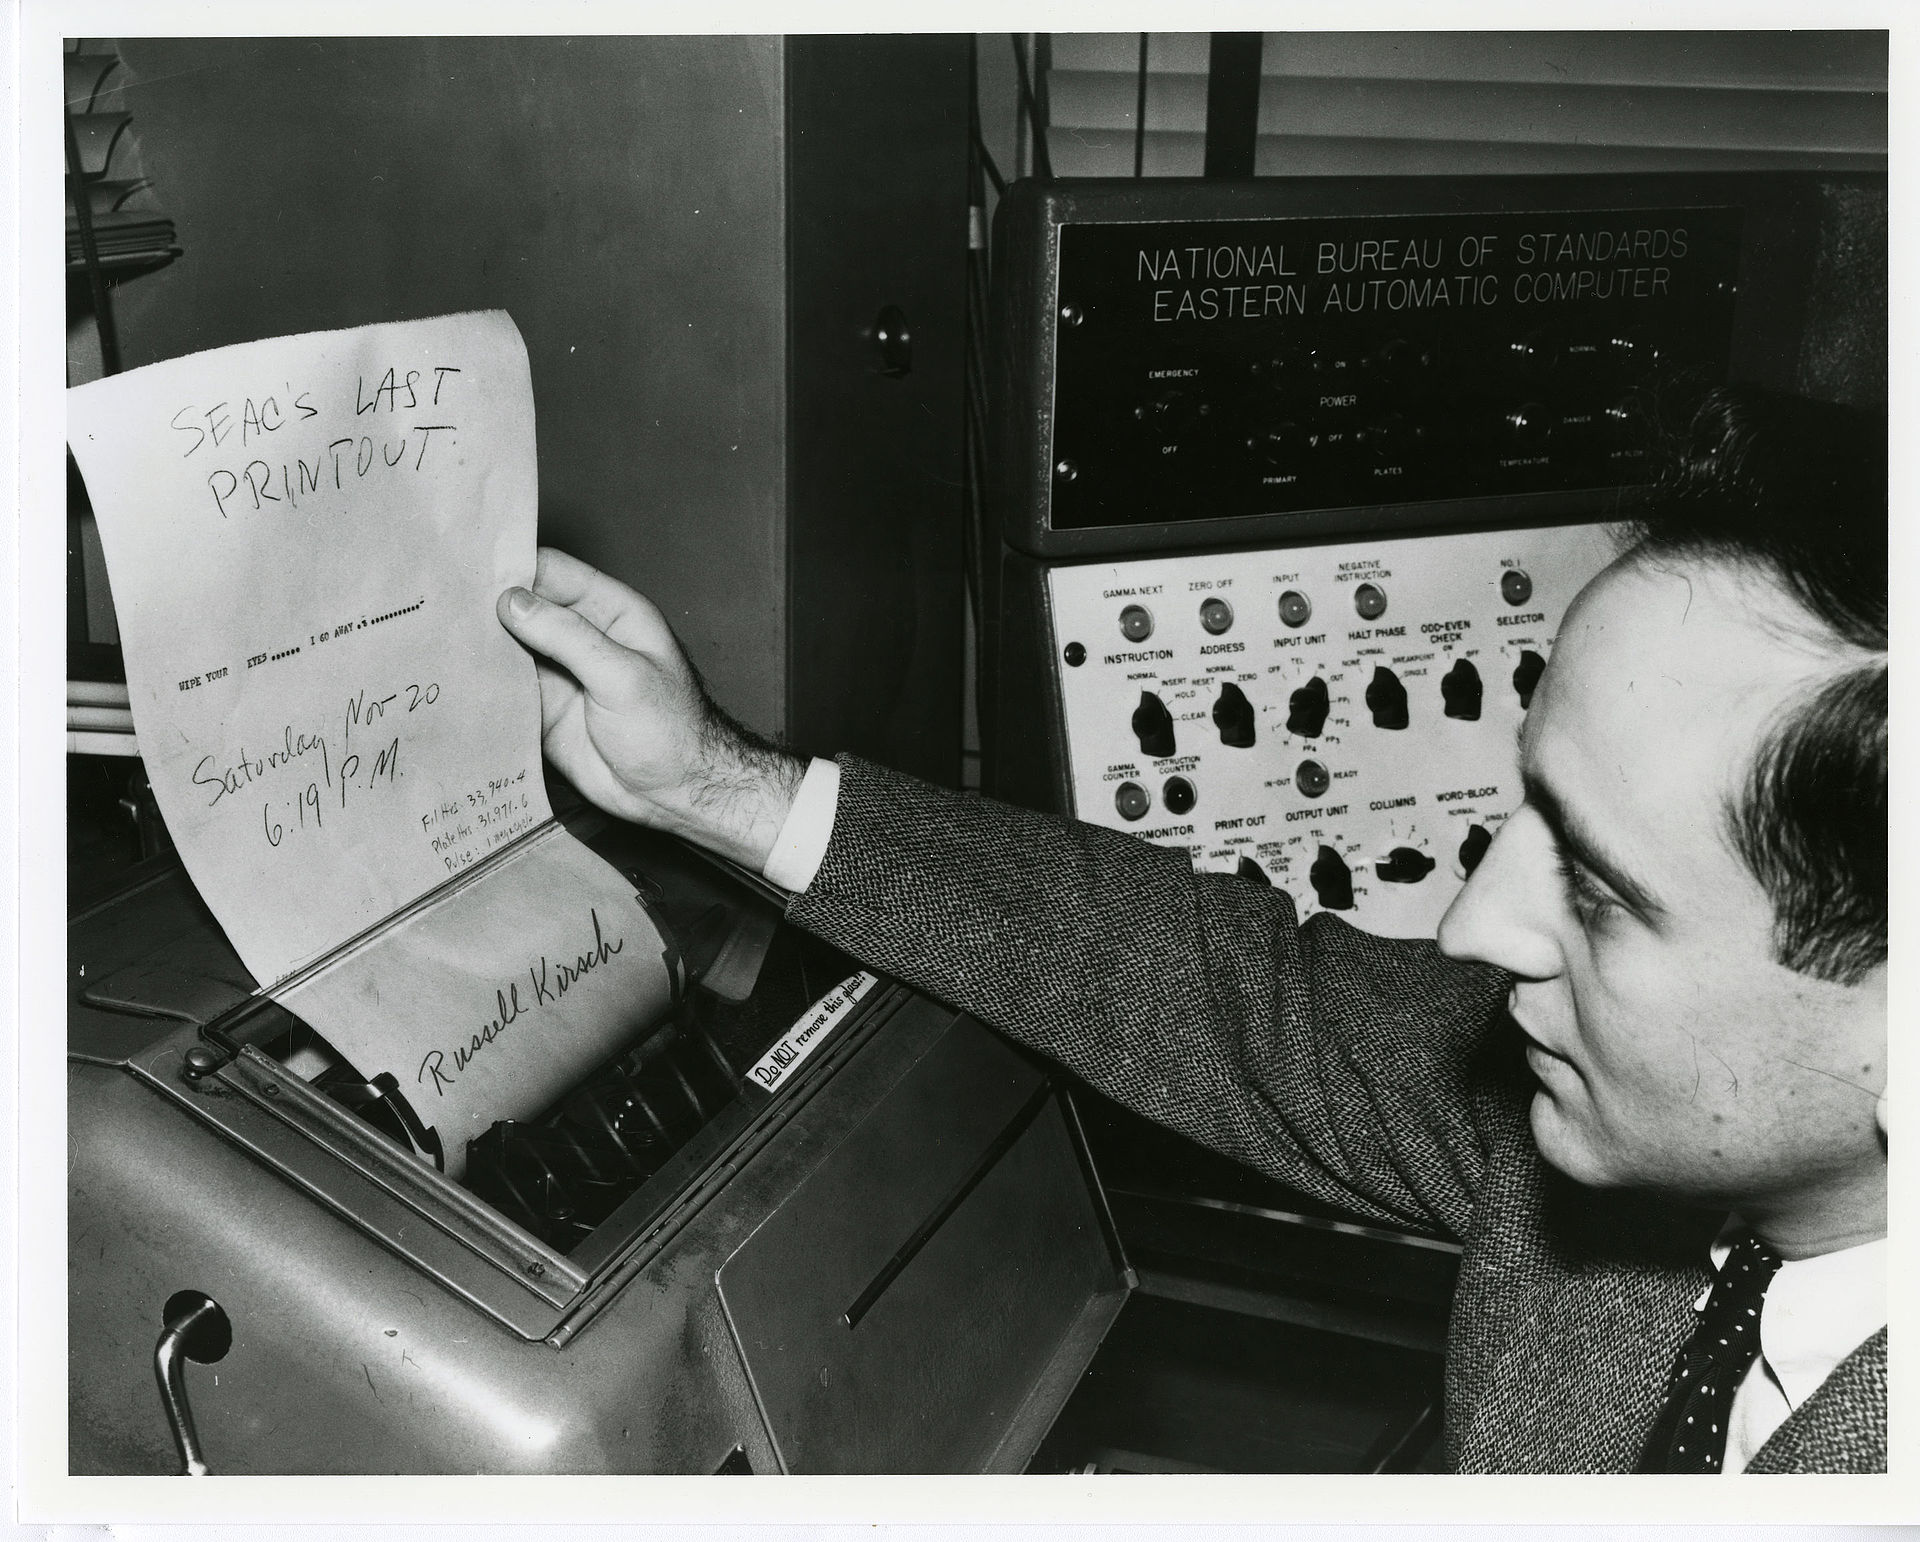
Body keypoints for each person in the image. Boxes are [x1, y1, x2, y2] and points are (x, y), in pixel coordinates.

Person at [495, 388, 1886, 1474]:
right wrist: (712, 786)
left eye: (1598, 891)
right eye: (1529, 810)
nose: (1472, 928)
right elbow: (1236, 993)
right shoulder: (1654, 1139)